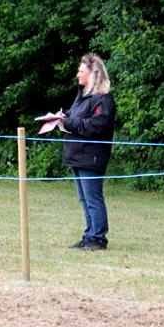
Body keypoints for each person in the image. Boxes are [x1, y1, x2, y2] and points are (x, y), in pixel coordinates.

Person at [58, 54, 116, 251]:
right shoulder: (82, 97)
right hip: (77, 154)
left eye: (81, 71)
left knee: (93, 198)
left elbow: (96, 125)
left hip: (91, 156)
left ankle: (98, 238)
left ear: (93, 74)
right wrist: (64, 117)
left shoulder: (103, 99)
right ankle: (90, 234)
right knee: (84, 199)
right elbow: (77, 119)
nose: (78, 75)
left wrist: (70, 122)